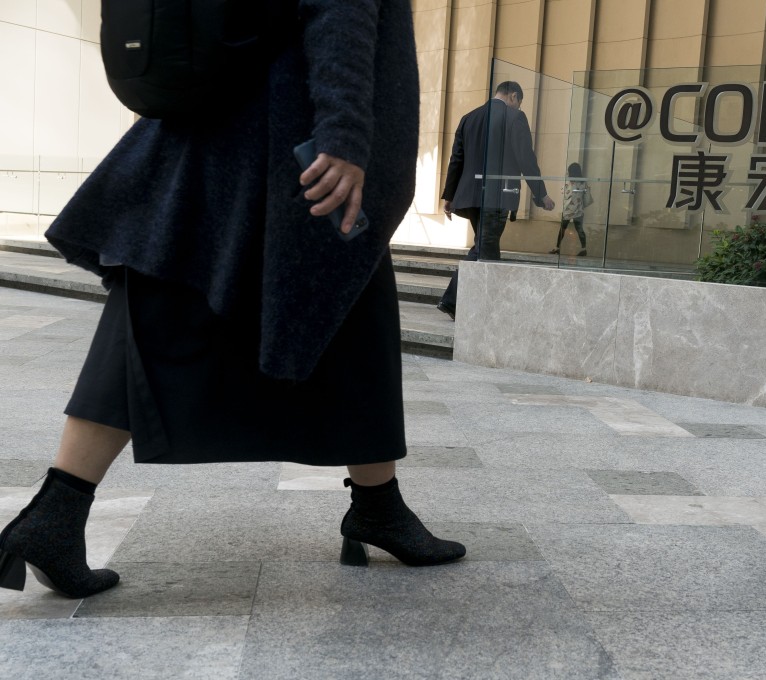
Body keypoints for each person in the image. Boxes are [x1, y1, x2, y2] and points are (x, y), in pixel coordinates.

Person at [0, 0, 464, 600]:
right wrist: (344, 131)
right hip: (282, 136)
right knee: (167, 308)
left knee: (348, 309)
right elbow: (339, 8)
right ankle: (54, 513)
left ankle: (378, 505)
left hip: (236, 121)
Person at [435, 81, 555, 320]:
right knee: (483, 248)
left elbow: (456, 159)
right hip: (498, 195)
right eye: (518, 101)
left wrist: (449, 196)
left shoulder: (469, 117)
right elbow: (526, 159)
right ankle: (451, 301)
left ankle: (480, 306)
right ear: (513, 96)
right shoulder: (515, 118)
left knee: (487, 247)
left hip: (469, 195)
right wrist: (541, 193)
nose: (518, 106)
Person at [550, 162, 589, 257]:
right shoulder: (583, 182)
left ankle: (557, 248)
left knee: (563, 228)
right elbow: (586, 196)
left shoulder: (568, 182)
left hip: (568, 209)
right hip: (579, 209)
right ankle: (584, 249)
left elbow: (563, 192)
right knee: (579, 229)